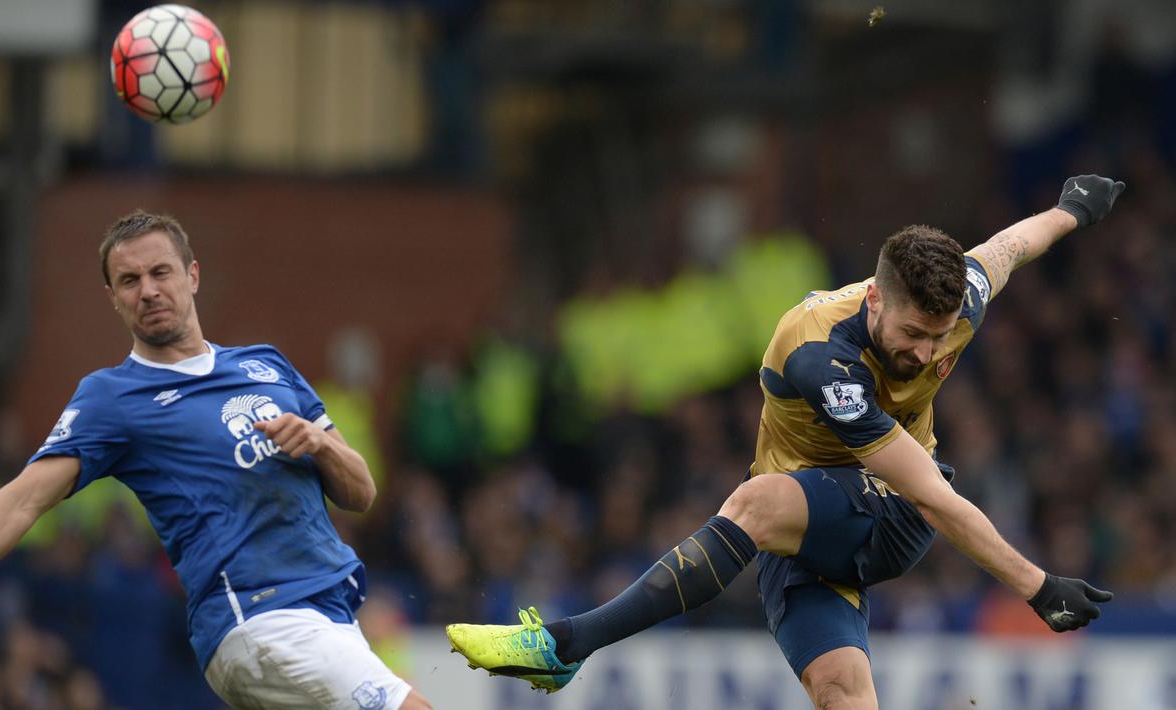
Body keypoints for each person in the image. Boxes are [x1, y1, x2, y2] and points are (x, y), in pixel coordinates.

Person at [445, 175, 1125, 708]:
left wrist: (1074, 207)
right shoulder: (819, 354)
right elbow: (934, 499)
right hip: (812, 533)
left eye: (938, 336)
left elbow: (1007, 249)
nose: (924, 353)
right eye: (912, 335)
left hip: (883, 510)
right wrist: (1038, 587)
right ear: (874, 301)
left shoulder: (955, 306)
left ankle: (567, 644)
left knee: (755, 502)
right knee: (841, 693)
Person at [0, 211, 432, 710]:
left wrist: (322, 442)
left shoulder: (266, 365)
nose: (148, 291)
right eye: (129, 281)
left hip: (330, 613)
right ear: (113, 298)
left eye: (161, 272)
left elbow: (362, 494)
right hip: (262, 613)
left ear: (192, 275)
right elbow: (23, 500)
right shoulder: (112, 397)